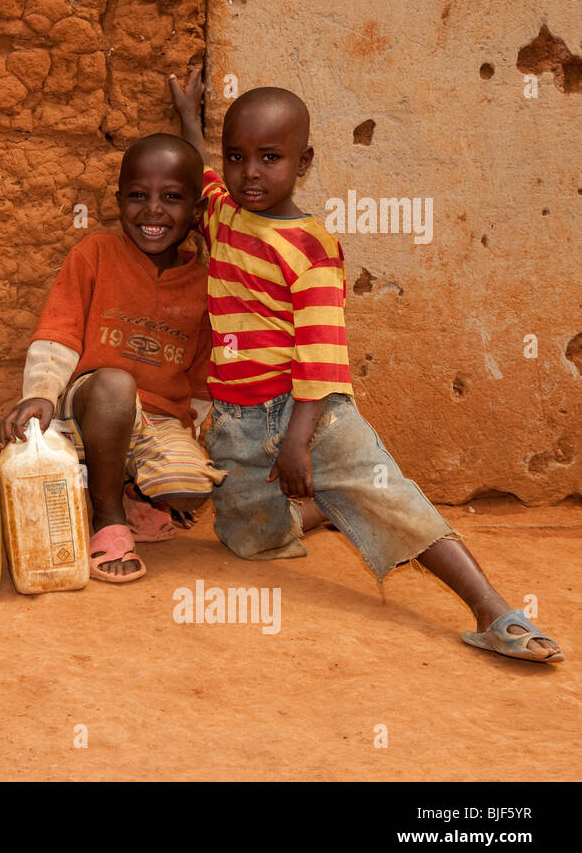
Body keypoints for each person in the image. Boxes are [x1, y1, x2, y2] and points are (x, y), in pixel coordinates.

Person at [169, 65, 563, 662]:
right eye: (237, 156)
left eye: (270, 157)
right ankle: (328, 503)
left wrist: (298, 442)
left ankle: (495, 610)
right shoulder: (221, 213)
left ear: (303, 163)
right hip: (236, 421)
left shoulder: (312, 249)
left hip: (313, 415)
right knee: (246, 538)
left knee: (395, 501)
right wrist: (186, 117)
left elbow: (322, 358)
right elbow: (198, 168)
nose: (251, 172)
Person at [1, 134, 224, 583]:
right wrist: (42, 394)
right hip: (89, 409)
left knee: (189, 489)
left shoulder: (203, 283)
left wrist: (194, 430)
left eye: (172, 198)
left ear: (197, 213)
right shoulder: (95, 254)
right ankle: (108, 520)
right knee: (116, 383)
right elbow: (59, 331)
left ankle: (135, 494)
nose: (153, 211)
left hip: (158, 420)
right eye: (138, 196)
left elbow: (201, 374)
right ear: (119, 200)